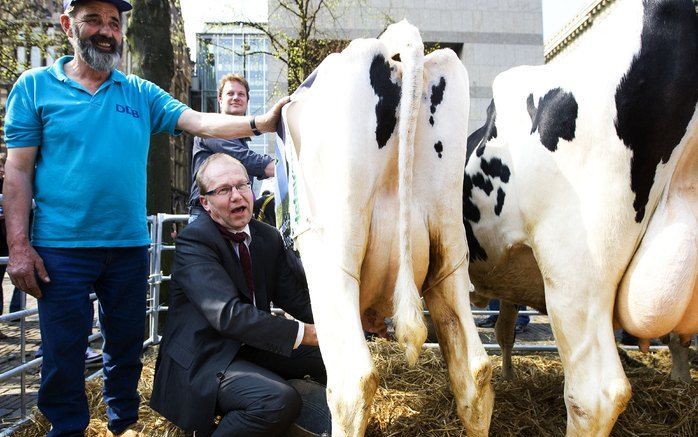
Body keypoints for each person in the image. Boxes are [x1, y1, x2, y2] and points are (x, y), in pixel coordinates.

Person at [2, 1, 288, 436]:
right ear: (67, 26)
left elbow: (198, 122)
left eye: (114, 23)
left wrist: (259, 123)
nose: (106, 31)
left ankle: (122, 423)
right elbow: (18, 172)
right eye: (93, 20)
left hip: (128, 247)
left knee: (126, 346)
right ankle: (67, 429)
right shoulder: (35, 87)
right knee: (62, 352)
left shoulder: (139, 92)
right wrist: (19, 247)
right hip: (61, 249)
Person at [150, 153, 326, 436]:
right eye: (223, 190)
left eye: (242, 186)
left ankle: (304, 425)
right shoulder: (194, 241)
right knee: (276, 400)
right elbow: (228, 315)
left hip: (251, 347)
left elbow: (294, 298)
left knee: (326, 354)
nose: (236, 196)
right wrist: (306, 332)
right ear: (205, 203)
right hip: (204, 359)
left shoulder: (266, 237)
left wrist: (350, 322)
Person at [188, 74, 276, 223]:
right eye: (230, 93)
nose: (236, 97)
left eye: (241, 94)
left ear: (247, 101)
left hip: (233, 215)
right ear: (220, 99)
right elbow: (245, 158)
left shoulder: (240, 140)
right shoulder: (211, 127)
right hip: (208, 216)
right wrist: (282, 168)